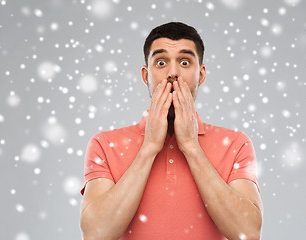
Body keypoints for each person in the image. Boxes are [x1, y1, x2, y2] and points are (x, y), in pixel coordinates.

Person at [79, 22, 263, 240]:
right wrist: (148, 148)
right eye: (161, 62)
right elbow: (95, 234)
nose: (173, 73)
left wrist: (191, 147)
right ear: (146, 75)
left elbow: (249, 233)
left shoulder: (236, 144)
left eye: (184, 62)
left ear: (201, 75)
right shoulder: (104, 144)